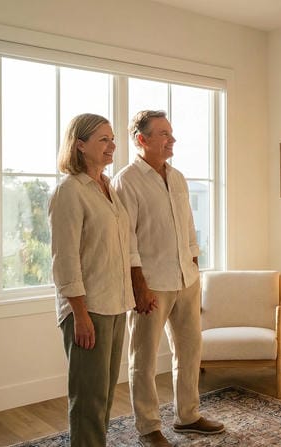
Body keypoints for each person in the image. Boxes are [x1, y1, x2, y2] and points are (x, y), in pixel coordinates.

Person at [112, 110, 224, 447]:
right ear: (141, 139)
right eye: (163, 133)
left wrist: (194, 264)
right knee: (143, 359)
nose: (172, 139)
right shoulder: (126, 181)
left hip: (186, 279)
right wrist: (139, 286)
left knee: (190, 350)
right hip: (151, 284)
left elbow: (188, 226)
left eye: (171, 133)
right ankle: (148, 428)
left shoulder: (177, 177)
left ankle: (187, 416)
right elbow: (127, 241)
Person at [49, 113, 135, 446]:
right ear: (80, 145)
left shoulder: (108, 187)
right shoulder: (69, 192)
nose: (112, 145)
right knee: (88, 399)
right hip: (88, 308)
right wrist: (80, 314)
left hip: (115, 304)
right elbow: (65, 260)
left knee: (104, 395)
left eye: (113, 139)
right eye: (104, 139)